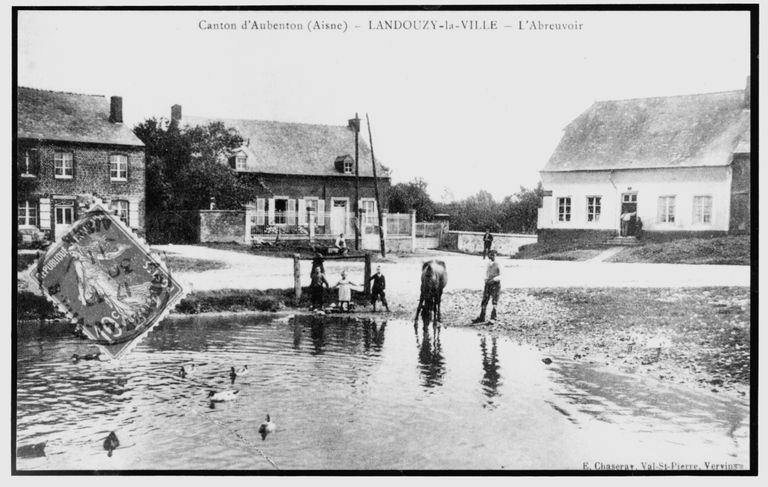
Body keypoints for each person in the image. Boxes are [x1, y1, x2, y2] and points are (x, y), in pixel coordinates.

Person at [472, 250, 501, 323]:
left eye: (493, 255)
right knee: (485, 300)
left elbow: (501, 275)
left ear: (495, 255)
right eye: (490, 255)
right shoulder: (488, 263)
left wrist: (494, 279)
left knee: (494, 300)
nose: (491, 256)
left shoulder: (499, 264)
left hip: (495, 284)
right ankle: (482, 317)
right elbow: (486, 273)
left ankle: (493, 317)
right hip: (488, 283)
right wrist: (486, 279)